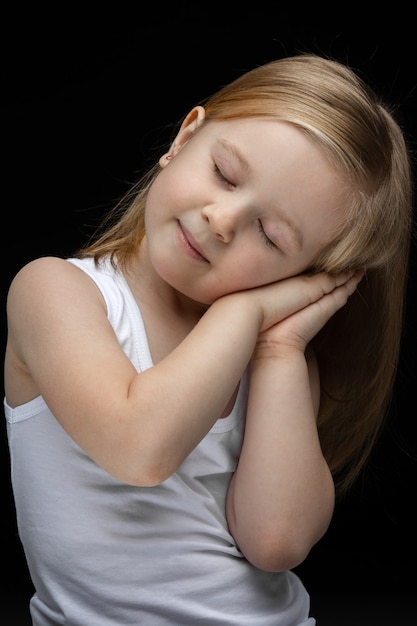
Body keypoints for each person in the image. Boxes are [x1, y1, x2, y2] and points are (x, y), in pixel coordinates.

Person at [3, 53, 413, 625]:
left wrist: (276, 348)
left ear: (303, 278)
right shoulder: (57, 292)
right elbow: (137, 447)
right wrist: (246, 314)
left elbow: (277, 542)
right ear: (185, 135)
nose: (222, 220)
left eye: (271, 236)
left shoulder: (274, 350)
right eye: (225, 174)